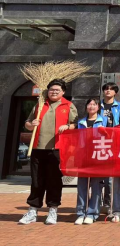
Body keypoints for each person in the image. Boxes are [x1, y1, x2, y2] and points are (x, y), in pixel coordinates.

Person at [19, 79, 78, 226]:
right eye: (52, 89)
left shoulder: (68, 106)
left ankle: (53, 210)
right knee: (36, 180)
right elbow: (27, 123)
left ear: (63, 92)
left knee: (54, 181)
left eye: (57, 90)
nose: (54, 92)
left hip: (57, 149)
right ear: (48, 91)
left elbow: (76, 125)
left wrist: (68, 126)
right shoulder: (40, 105)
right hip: (37, 148)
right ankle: (33, 210)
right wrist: (31, 125)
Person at [75, 98, 108, 225]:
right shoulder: (81, 122)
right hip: (83, 156)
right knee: (82, 186)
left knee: (96, 186)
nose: (92, 106)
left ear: (98, 107)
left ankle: (92, 213)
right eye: (89, 104)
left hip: (98, 155)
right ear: (86, 107)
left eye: (94, 104)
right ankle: (81, 213)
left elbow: (111, 136)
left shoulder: (104, 120)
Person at [100, 82, 120, 212]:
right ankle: (97, 203)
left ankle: (108, 204)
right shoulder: (97, 105)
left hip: (113, 143)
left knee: (110, 177)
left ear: (115, 92)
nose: (108, 91)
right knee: (98, 176)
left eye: (111, 89)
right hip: (99, 143)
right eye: (106, 89)